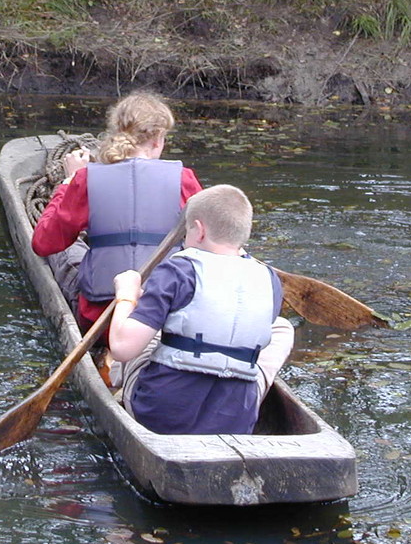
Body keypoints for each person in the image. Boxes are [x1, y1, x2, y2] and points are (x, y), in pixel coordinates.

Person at [108, 184, 294, 435]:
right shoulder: (269, 278)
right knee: (283, 327)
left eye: (188, 231)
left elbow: (121, 349)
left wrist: (127, 296)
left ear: (200, 229)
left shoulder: (177, 271)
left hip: (159, 416)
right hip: (235, 420)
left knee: (144, 332)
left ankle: (116, 384)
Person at [31, 90, 203, 334]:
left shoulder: (85, 178)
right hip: (164, 318)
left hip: (101, 321)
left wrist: (67, 182)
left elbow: (42, 243)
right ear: (157, 139)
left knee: (68, 251)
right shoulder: (184, 179)